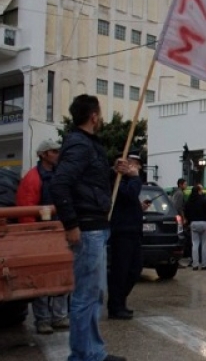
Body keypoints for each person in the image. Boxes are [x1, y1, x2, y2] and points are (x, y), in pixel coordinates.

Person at [50, 94, 125, 361]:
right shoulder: (80, 145)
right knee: (86, 295)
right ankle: (85, 355)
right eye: (100, 113)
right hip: (88, 228)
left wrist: (112, 170)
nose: (101, 118)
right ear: (93, 116)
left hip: (94, 226)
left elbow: (89, 181)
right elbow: (60, 184)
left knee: (93, 294)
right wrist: (71, 223)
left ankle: (92, 352)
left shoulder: (86, 144)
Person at [16, 138, 69, 335]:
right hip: (41, 235)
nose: (57, 155)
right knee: (41, 279)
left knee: (61, 276)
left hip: (59, 232)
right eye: (54, 151)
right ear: (43, 155)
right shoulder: (32, 178)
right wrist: (33, 237)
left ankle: (59, 316)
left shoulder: (59, 175)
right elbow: (26, 210)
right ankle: (43, 319)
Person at [107, 153, 144, 320]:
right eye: (132, 164)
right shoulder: (118, 181)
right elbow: (129, 193)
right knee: (120, 271)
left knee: (135, 269)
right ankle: (116, 306)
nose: (135, 168)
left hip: (133, 231)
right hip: (122, 232)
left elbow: (130, 199)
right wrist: (135, 178)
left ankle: (120, 301)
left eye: (137, 165)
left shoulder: (129, 181)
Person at [184, 184, 206, 271]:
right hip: (204, 223)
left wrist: (189, 221)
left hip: (193, 223)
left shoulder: (189, 201)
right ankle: (204, 264)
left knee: (195, 244)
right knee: (204, 244)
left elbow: (186, 212)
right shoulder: (204, 200)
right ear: (198, 191)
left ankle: (195, 264)